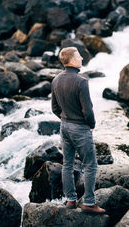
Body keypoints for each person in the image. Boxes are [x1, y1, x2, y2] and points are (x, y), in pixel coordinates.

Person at [51, 46, 105, 214]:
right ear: (72, 61)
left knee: (67, 164)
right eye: (79, 56)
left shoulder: (56, 80)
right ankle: (89, 202)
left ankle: (70, 200)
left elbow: (54, 108)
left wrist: (65, 118)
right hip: (80, 128)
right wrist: (91, 125)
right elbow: (87, 110)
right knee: (90, 165)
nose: (82, 58)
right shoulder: (81, 81)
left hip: (64, 126)